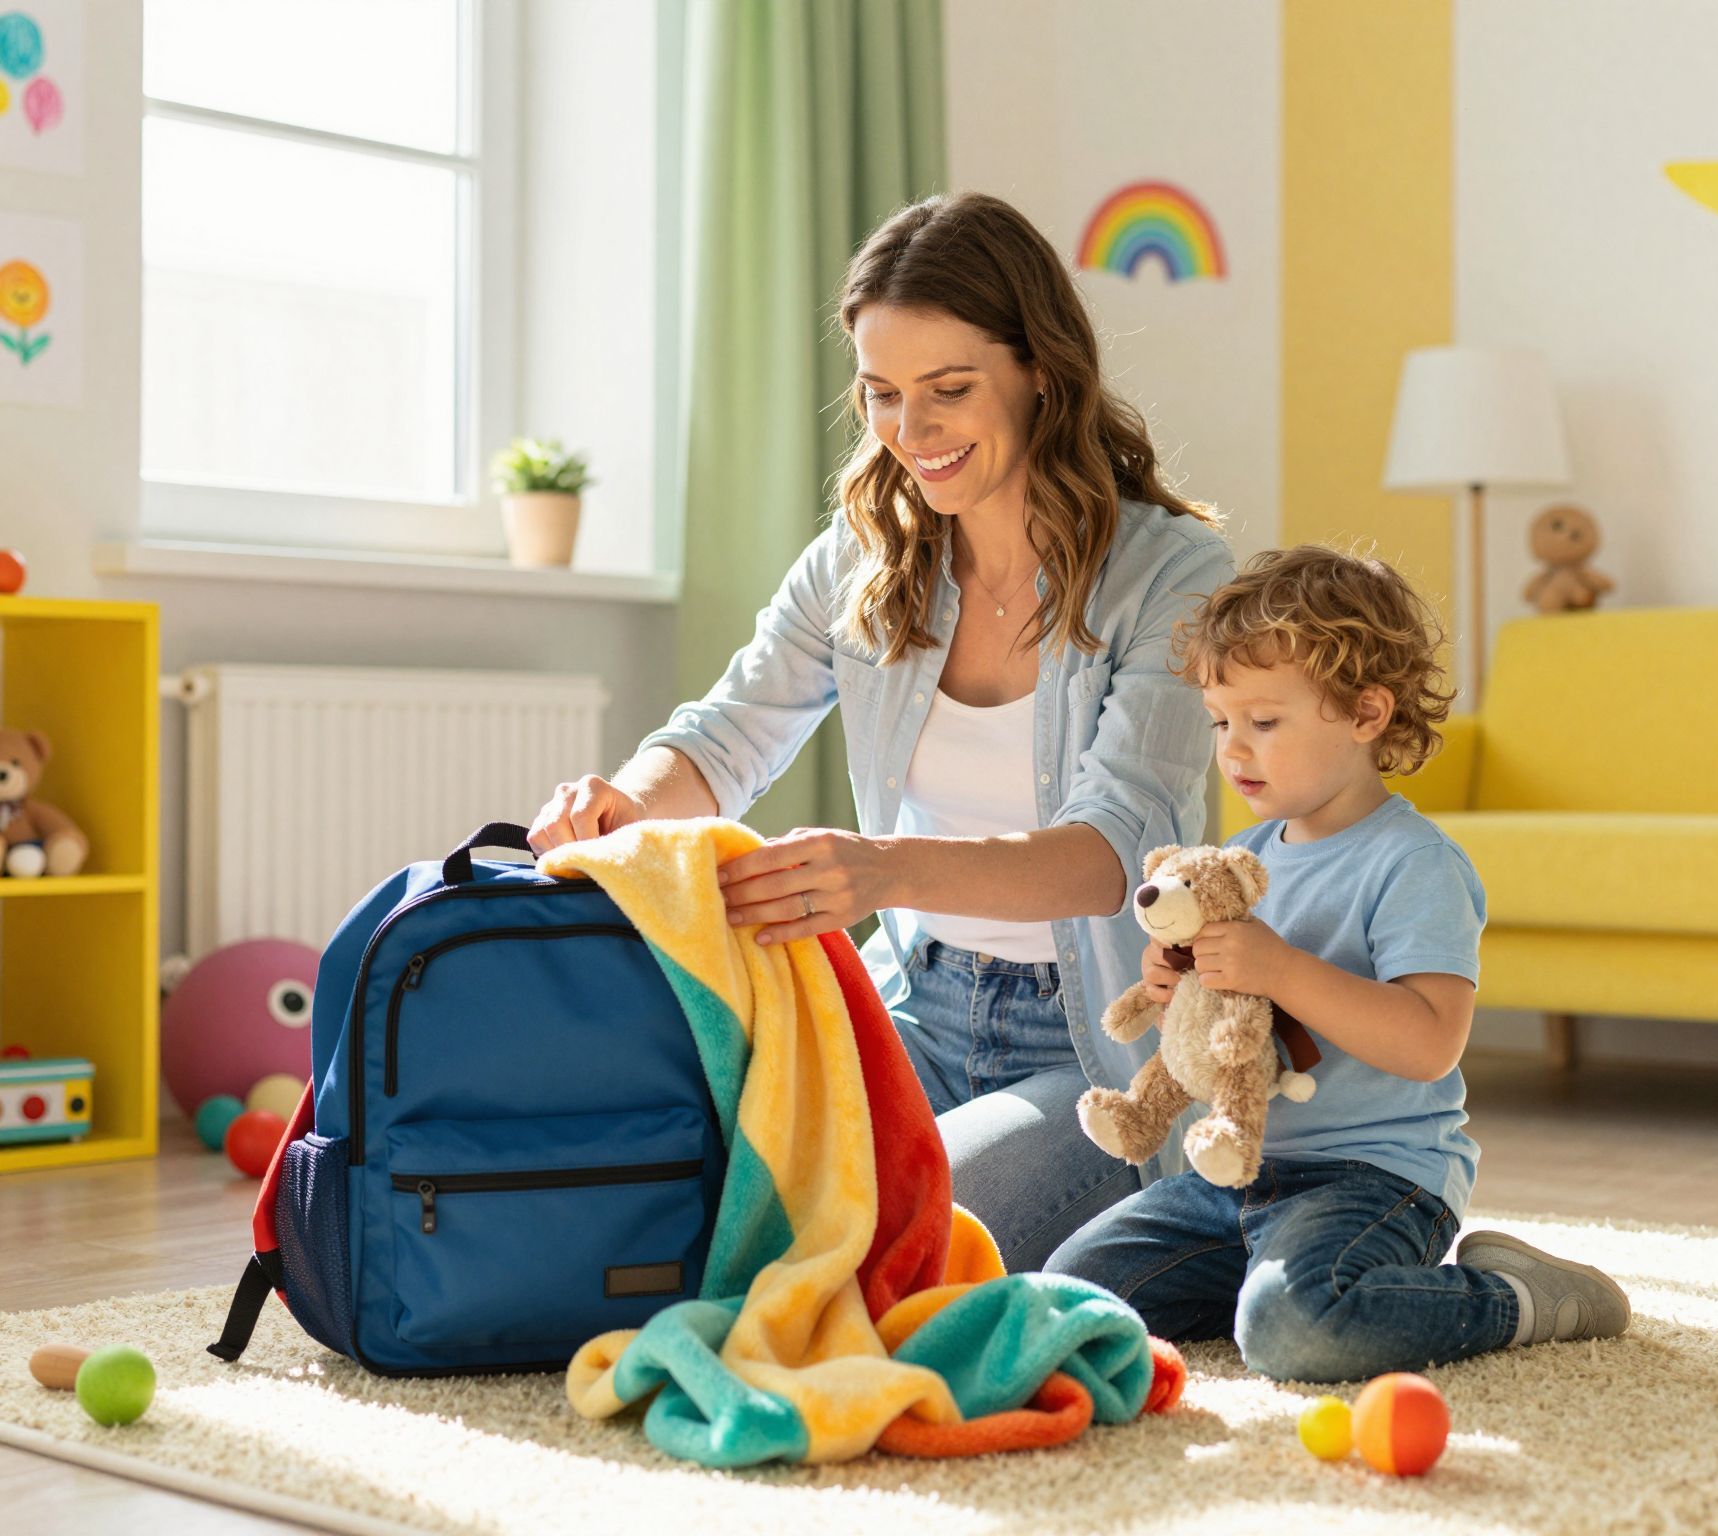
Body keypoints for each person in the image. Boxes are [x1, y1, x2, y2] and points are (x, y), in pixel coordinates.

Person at [528, 192, 1236, 1271]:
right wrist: (620, 802)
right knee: (688, 1204)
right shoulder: (860, 559)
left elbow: (1111, 856)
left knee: (887, 1245)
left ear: (1042, 371)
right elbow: (726, 735)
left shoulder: (1170, 573)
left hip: (1099, 1046)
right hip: (908, 1007)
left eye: (949, 390)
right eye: (882, 394)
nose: (911, 431)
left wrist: (882, 868)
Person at [1045, 545, 1631, 1379]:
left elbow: (1429, 1043)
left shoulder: (1415, 863)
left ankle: (1513, 1295)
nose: (1233, 750)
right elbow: (1225, 1023)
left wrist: (1280, 969)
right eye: (1220, 722)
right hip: (1236, 1174)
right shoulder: (1243, 858)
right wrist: (1176, 985)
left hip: (1374, 1179)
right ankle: (1269, 1283)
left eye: (1264, 722)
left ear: (1365, 713)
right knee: (1069, 1295)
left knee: (1297, 1332)